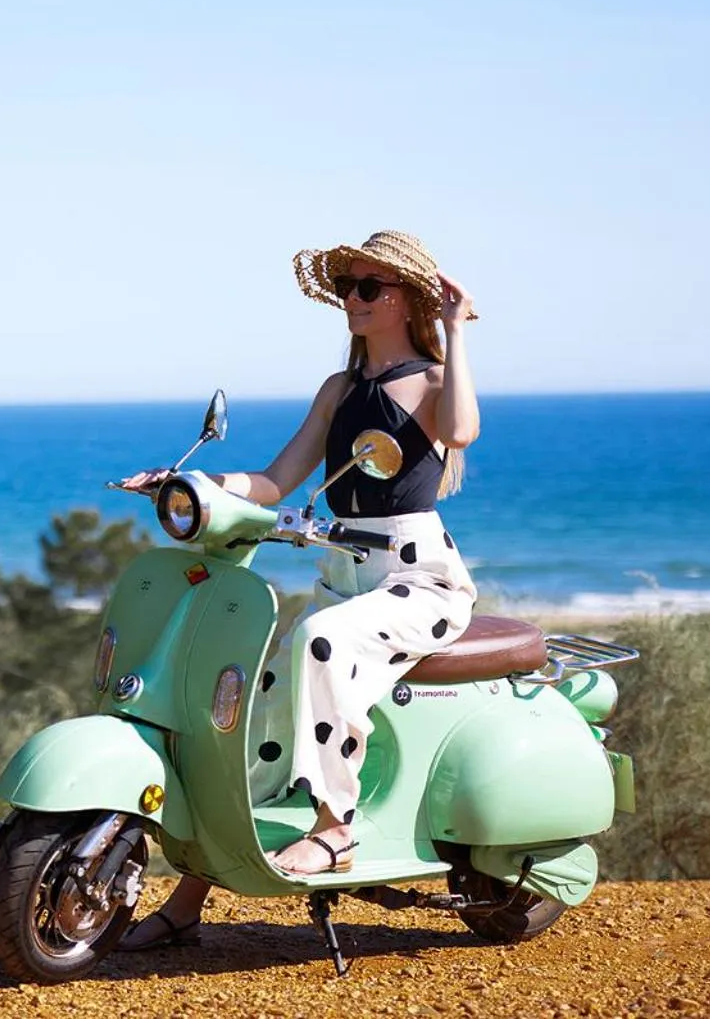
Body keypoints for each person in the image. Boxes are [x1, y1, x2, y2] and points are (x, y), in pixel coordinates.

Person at [116, 229, 480, 950]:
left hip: (419, 579)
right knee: (251, 706)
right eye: (347, 286)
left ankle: (334, 831)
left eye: (369, 287)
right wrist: (190, 483)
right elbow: (276, 481)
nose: (352, 299)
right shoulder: (340, 389)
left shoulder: (434, 384)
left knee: (319, 641)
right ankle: (190, 897)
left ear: (405, 298)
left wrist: (453, 330)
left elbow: (461, 432)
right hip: (341, 578)